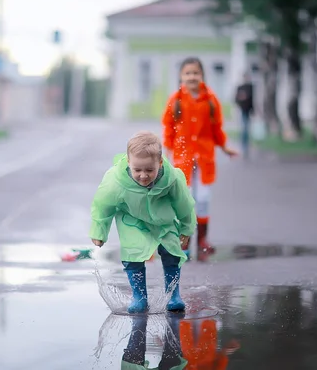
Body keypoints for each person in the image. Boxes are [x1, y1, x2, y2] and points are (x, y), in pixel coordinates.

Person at [89, 131, 196, 313]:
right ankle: (139, 297)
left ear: (160, 163)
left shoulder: (171, 179)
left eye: (149, 170)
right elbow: (102, 206)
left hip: (163, 220)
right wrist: (99, 232)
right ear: (128, 162)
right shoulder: (116, 182)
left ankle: (173, 295)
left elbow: (184, 204)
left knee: (172, 251)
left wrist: (186, 228)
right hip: (133, 220)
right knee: (133, 253)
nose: (143, 176)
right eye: (137, 170)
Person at [162, 57, 238, 260]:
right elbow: (168, 128)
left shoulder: (211, 100)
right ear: (181, 76)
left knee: (203, 199)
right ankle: (183, 242)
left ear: (202, 75)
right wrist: (167, 153)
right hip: (182, 157)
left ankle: (202, 241)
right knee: (183, 200)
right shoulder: (176, 100)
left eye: (195, 73)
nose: (192, 77)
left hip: (204, 157)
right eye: (188, 73)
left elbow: (216, 129)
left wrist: (224, 148)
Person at [234, 73, 255, 159]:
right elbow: (236, 99)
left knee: (246, 128)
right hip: (242, 110)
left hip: (248, 110)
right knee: (244, 128)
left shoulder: (251, 87)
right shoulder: (240, 87)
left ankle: (246, 145)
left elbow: (252, 99)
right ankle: (243, 145)